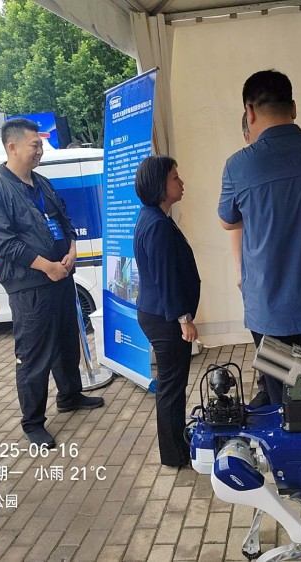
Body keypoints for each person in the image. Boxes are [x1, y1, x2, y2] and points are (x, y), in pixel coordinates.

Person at [218, 70, 301, 512]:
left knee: (286, 398)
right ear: (293, 108)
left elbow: (227, 218)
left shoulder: (239, 166)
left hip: (271, 309)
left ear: (249, 111)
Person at [0, 118, 103, 448]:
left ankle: (70, 396)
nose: (40, 151)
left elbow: (64, 220)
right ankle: (33, 422)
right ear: (12, 146)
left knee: (66, 342)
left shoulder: (42, 183)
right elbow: (2, 243)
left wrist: (72, 250)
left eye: (40, 145)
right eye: (35, 145)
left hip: (61, 275)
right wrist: (46, 267)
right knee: (34, 355)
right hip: (30, 286)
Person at [134, 156, 200, 468]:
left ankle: (176, 443)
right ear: (160, 185)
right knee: (172, 387)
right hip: (165, 318)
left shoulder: (153, 217)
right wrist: (184, 319)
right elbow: (166, 278)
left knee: (172, 385)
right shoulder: (157, 224)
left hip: (159, 313)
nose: (181, 182)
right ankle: (174, 453)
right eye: (175, 178)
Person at [229, 112, 269, 408]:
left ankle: (276, 392)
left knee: (278, 347)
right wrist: (240, 270)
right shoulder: (242, 169)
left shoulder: (240, 166)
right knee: (268, 346)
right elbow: (234, 224)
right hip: (259, 277)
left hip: (272, 283)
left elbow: (231, 222)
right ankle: (268, 388)